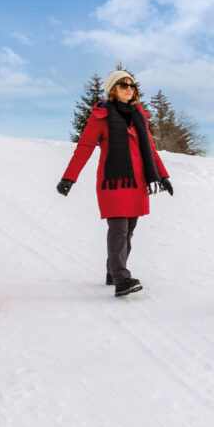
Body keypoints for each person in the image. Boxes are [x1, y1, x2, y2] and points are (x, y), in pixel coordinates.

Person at [56, 68, 172, 297]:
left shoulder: (139, 117)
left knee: (129, 231)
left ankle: (113, 271)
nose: (129, 89)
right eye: (123, 85)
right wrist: (69, 177)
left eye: (132, 86)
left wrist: (163, 175)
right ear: (112, 90)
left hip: (137, 182)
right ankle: (121, 278)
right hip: (115, 182)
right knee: (118, 230)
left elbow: (149, 149)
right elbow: (84, 148)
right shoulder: (100, 118)